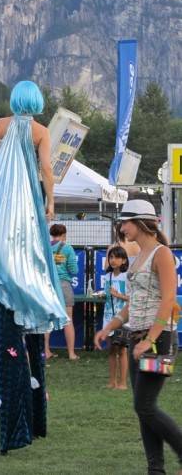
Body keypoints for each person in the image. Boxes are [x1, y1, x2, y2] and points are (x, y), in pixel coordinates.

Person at [0, 80, 68, 454]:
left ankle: (9, 288)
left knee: (3, 252)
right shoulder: (41, 132)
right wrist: (51, 200)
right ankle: (30, 293)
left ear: (14, 101)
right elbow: (46, 169)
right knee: (30, 254)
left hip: (0, 207)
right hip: (26, 206)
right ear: (37, 102)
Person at [95, 199, 182, 475]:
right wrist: (111, 326)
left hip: (159, 339)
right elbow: (134, 303)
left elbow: (168, 300)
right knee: (144, 409)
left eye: (125, 222)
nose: (122, 228)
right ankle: (155, 470)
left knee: (144, 406)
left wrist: (150, 339)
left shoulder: (162, 254)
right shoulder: (138, 256)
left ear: (141, 222)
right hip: (137, 337)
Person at [45, 223, 79, 360]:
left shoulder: (45, 247)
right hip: (64, 285)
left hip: (47, 286)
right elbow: (74, 270)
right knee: (68, 320)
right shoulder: (67, 248)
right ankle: (71, 353)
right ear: (64, 234)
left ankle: (46, 351)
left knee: (47, 320)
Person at [102, 246, 129, 389]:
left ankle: (123, 382)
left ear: (124, 260)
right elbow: (107, 295)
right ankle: (112, 381)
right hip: (108, 318)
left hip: (123, 319)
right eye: (111, 257)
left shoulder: (127, 276)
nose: (113, 260)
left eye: (117, 257)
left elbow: (132, 298)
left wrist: (118, 295)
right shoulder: (107, 276)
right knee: (111, 350)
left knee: (122, 350)